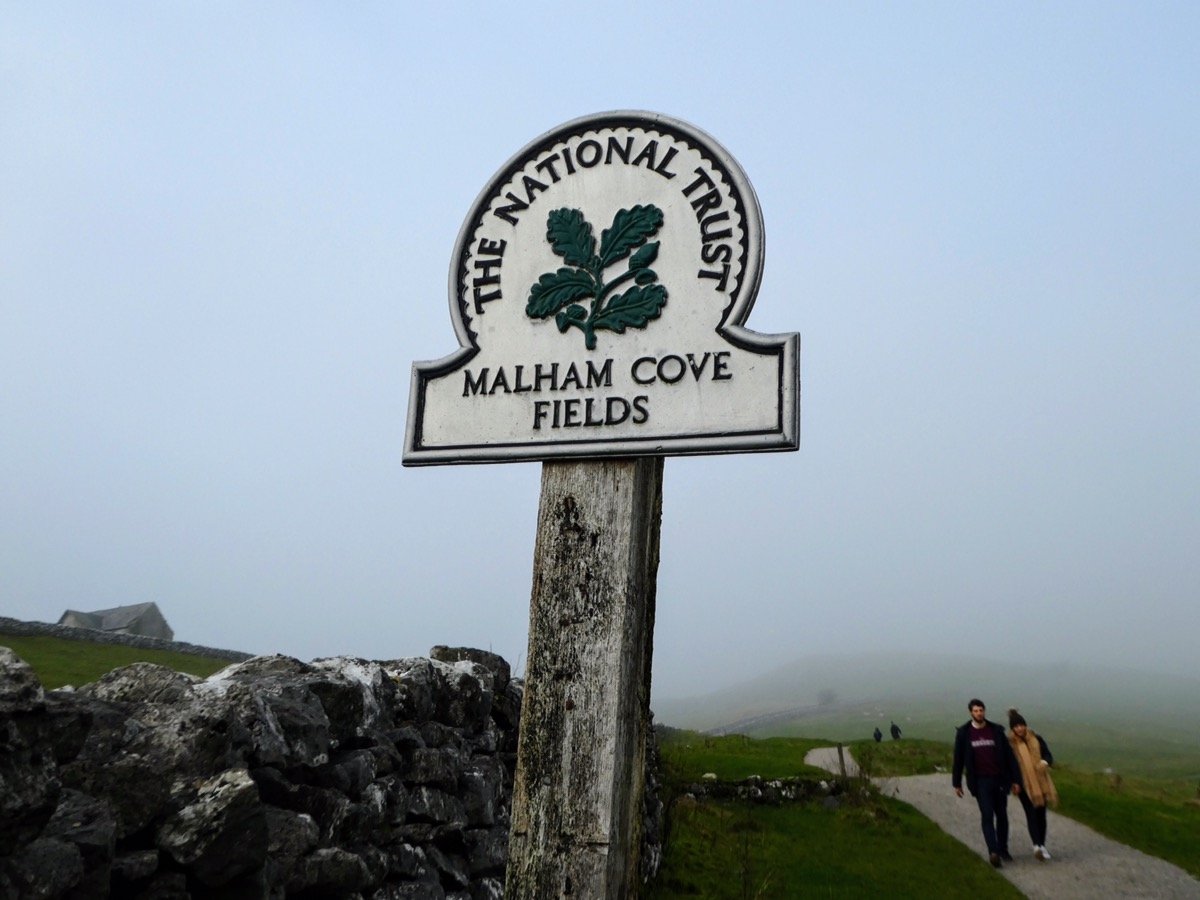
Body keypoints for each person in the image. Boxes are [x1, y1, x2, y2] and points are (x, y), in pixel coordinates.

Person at [952, 698, 1022, 868]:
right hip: (980, 781)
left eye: (981, 710)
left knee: (1002, 816)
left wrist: (1015, 780)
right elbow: (958, 759)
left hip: (999, 779)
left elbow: (1009, 757)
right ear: (971, 712)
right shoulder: (964, 733)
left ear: (985, 711)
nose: (979, 713)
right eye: (976, 711)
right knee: (987, 816)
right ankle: (994, 852)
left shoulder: (996, 731)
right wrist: (957, 783)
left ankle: (1003, 849)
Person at [1008, 708, 1058, 860]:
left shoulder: (1037, 739)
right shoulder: (1010, 744)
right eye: (1016, 726)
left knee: (1041, 814)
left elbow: (1048, 755)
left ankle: (1042, 845)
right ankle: (1036, 845)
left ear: (1025, 725)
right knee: (1031, 813)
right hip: (1023, 784)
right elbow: (1009, 764)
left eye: (1021, 725)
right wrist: (1013, 782)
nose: (1020, 728)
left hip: (1041, 781)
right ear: (1013, 729)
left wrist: (1044, 762)